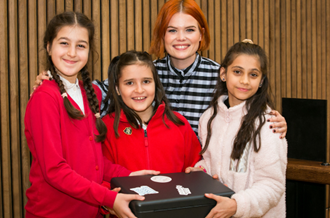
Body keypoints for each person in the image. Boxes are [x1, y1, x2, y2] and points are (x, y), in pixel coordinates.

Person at [33, 0, 288, 138]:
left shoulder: (219, 74)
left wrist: (274, 121)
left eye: (189, 30)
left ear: (201, 34)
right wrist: (57, 83)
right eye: (172, 30)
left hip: (205, 174)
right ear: (161, 35)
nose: (181, 38)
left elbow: (249, 106)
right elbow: (99, 91)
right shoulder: (146, 74)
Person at [24, 11, 159, 218]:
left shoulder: (92, 93)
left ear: (89, 51)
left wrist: (128, 176)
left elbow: (93, 163)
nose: (72, 53)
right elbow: (55, 170)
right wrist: (108, 198)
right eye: (64, 43)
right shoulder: (45, 98)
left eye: (81, 45)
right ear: (49, 46)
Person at [187, 40, 287, 218]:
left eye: (253, 74)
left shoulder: (269, 124)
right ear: (223, 73)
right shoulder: (208, 117)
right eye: (237, 72)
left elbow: (273, 185)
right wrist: (200, 172)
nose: (244, 81)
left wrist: (236, 205)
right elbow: (211, 162)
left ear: (262, 80)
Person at [102, 50, 201, 173]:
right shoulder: (106, 128)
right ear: (117, 89)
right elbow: (102, 176)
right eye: (129, 83)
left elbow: (197, 166)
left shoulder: (179, 124)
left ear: (155, 83)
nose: (139, 90)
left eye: (146, 81)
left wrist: (199, 173)